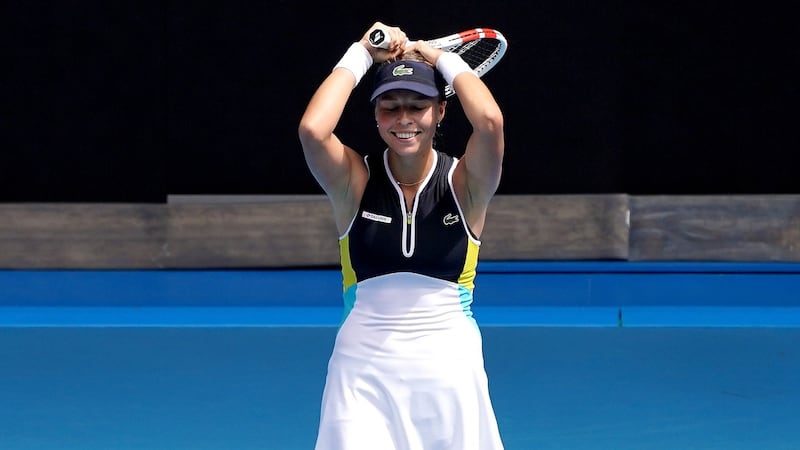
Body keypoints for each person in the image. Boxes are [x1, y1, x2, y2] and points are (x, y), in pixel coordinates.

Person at [298, 21, 505, 450]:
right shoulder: (353, 180)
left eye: (418, 106)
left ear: (440, 111)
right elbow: (313, 130)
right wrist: (360, 53)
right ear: (375, 115)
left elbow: (488, 121)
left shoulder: (465, 182)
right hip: (361, 371)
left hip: (450, 370)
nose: (404, 119)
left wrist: (437, 57)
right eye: (390, 107)